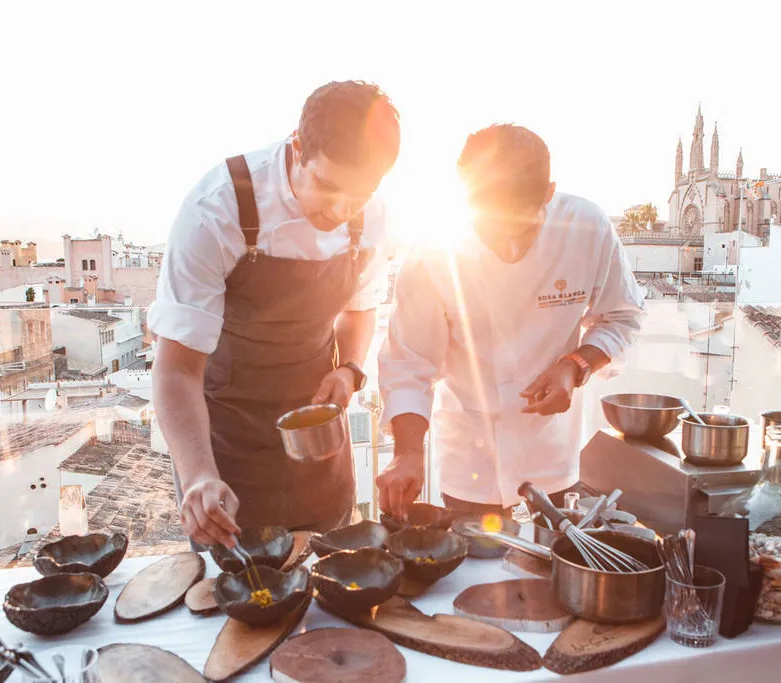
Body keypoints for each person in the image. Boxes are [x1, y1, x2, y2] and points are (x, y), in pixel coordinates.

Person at [150, 81, 400, 548]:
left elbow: (361, 309)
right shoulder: (218, 209)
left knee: (330, 578)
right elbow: (176, 369)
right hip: (227, 436)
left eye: (358, 196)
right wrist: (199, 476)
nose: (339, 210)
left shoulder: (376, 217)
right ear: (298, 145)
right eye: (326, 186)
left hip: (317, 437)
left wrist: (349, 369)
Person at [376, 124, 645, 518]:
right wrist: (407, 453)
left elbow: (621, 318)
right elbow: (409, 364)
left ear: (549, 194)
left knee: (553, 568)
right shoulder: (434, 254)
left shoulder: (587, 228)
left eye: (521, 228)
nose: (508, 247)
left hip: (552, 458)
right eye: (490, 231)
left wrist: (576, 365)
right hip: (471, 463)